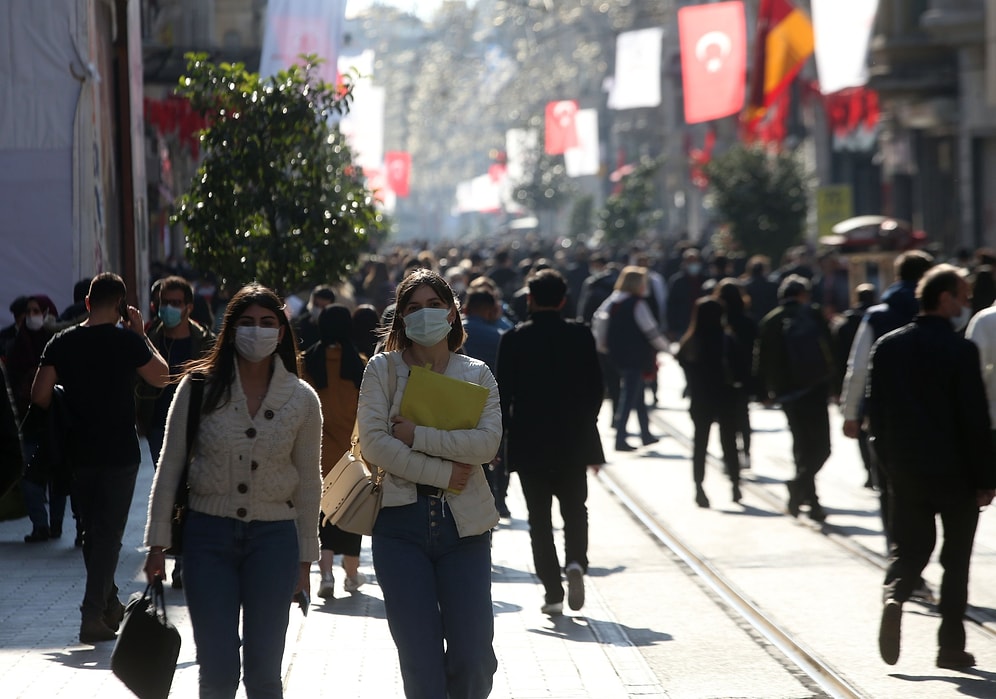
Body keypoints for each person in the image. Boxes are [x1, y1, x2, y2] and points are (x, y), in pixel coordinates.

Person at [144, 283, 322, 698]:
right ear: (229, 330)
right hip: (208, 538)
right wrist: (156, 545)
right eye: (246, 323)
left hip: (274, 541)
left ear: (281, 332)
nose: (256, 331)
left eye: (266, 323)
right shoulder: (197, 387)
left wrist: (305, 558)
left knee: (263, 674)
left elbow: (310, 481)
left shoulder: (302, 399)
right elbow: (170, 467)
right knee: (219, 672)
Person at [356, 268, 502, 699]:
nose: (424, 316)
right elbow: (375, 445)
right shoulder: (382, 370)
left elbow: (486, 444)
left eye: (434, 306)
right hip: (400, 529)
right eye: (413, 308)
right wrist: (442, 471)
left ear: (453, 314)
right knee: (421, 667)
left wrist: (418, 435)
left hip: (465, 529)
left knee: (474, 659)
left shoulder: (476, 373)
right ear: (400, 319)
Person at [868, 264, 996, 670]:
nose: (965, 305)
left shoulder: (888, 346)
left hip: (906, 469)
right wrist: (985, 478)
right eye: (961, 297)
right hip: (956, 472)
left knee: (909, 549)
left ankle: (895, 594)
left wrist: (888, 467)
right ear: (944, 299)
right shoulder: (961, 350)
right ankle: (950, 647)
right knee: (955, 562)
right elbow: (975, 420)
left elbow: (877, 416)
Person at [29, 272, 169, 643]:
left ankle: (108, 602)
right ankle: (93, 614)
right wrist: (139, 334)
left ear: (87, 303)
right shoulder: (127, 342)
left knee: (93, 534)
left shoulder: (62, 341)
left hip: (77, 452)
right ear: (121, 306)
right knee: (107, 536)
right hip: (120, 452)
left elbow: (40, 395)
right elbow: (162, 377)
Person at [496, 269, 604, 614]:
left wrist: (504, 438)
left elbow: (503, 395)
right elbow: (596, 387)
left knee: (538, 519)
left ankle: (552, 592)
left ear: (529, 299)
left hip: (530, 443)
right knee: (576, 509)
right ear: (563, 299)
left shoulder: (513, 339)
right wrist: (587, 423)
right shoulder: (580, 335)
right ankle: (575, 562)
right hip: (573, 439)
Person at [838, 250, 936, 603]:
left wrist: (851, 412)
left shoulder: (877, 315)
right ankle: (917, 570)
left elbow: (858, 366)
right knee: (929, 495)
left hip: (884, 420)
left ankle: (900, 566)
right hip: (933, 420)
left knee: (891, 493)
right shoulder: (942, 312)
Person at [136, 275, 216, 589]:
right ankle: (172, 553)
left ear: (188, 307)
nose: (169, 308)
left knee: (192, 488)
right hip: (159, 425)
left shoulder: (204, 340)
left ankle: (184, 557)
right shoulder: (148, 338)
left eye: (176, 303)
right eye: (164, 303)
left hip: (197, 424)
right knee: (169, 488)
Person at [754, 275, 836, 522]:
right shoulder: (814, 314)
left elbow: (761, 358)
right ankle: (811, 499)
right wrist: (836, 384)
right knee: (822, 448)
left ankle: (803, 491)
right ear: (804, 294)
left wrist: (762, 392)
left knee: (801, 446)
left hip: (788, 393)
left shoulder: (771, 320)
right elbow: (832, 349)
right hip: (816, 389)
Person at [302, 304, 368, 599]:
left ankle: (325, 573)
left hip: (316, 455)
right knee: (351, 515)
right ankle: (351, 575)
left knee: (322, 516)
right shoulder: (360, 364)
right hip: (351, 454)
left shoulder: (305, 363)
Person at [592, 266, 669, 451]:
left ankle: (645, 433)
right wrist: (667, 348)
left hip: (615, 354)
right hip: (635, 355)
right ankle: (620, 437)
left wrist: (603, 347)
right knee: (629, 395)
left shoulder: (614, 300)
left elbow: (599, 321)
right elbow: (650, 331)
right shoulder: (637, 303)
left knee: (638, 393)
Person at [677, 297, 744, 508]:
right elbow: (739, 368)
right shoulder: (727, 339)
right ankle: (735, 484)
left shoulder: (690, 342)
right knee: (730, 443)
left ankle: (699, 487)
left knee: (700, 444)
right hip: (725, 397)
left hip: (700, 399)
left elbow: (684, 364)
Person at [713, 278, 758, 471]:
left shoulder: (717, 322)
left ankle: (728, 457)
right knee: (744, 415)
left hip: (722, 377)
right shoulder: (748, 321)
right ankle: (745, 453)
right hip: (744, 375)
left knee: (725, 421)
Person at [293, 284, 337, 350]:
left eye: (323, 307)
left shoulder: (334, 328)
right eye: (316, 305)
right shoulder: (301, 324)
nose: (318, 310)